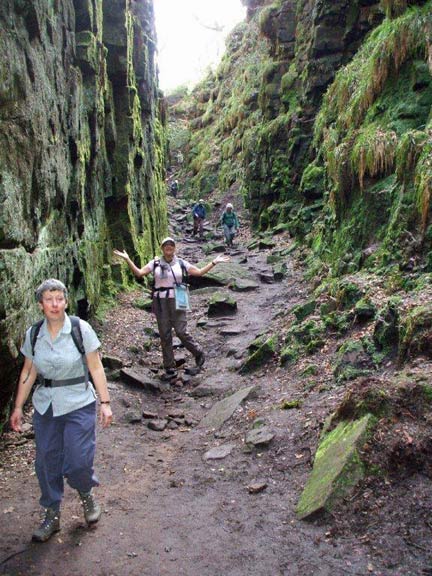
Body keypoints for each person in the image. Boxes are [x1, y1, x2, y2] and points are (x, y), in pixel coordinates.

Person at [9, 279, 113, 542]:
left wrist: (105, 402)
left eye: (59, 298)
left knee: (78, 460)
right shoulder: (34, 334)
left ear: (66, 301)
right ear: (40, 303)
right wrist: (19, 406)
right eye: (48, 299)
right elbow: (29, 371)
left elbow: (96, 366)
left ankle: (86, 494)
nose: (54, 304)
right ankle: (52, 514)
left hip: (78, 401)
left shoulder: (80, 329)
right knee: (46, 460)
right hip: (46, 406)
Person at [114, 237, 229, 381]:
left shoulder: (181, 263)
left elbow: (199, 272)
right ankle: (169, 367)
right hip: (160, 299)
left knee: (181, 330)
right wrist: (127, 259)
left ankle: (198, 352)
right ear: (162, 248)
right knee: (164, 333)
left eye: (171, 245)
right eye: (166, 245)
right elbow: (139, 273)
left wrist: (214, 262)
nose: (169, 247)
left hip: (178, 297)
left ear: (174, 248)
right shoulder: (155, 263)